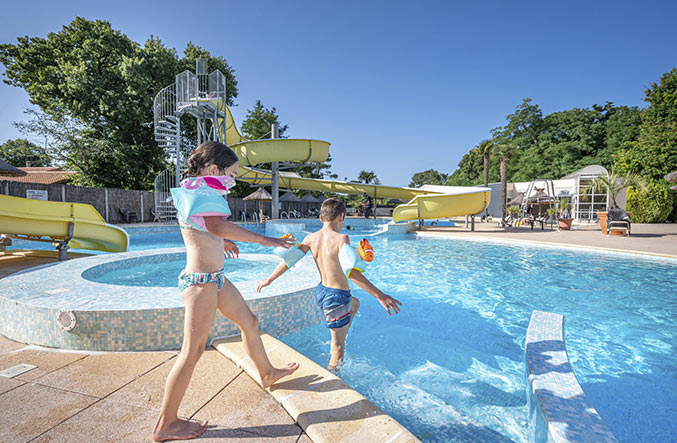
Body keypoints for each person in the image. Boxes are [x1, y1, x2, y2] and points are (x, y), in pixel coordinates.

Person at [152, 141, 298, 442]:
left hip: (214, 278)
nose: (232, 181)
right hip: (201, 282)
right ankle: (166, 423)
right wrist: (264, 240)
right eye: (230, 174)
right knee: (191, 353)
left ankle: (267, 373)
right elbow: (216, 227)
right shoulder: (205, 192)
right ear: (212, 169)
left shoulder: (196, 189)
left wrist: (224, 243)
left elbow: (205, 230)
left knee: (250, 322)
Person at [257, 198, 402, 370]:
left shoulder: (310, 238)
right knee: (338, 349)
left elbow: (289, 260)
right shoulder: (342, 238)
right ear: (341, 217)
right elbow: (351, 271)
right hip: (337, 297)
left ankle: (339, 333)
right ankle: (333, 376)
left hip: (323, 291)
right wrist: (380, 295)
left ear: (320, 218)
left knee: (355, 304)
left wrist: (270, 279)